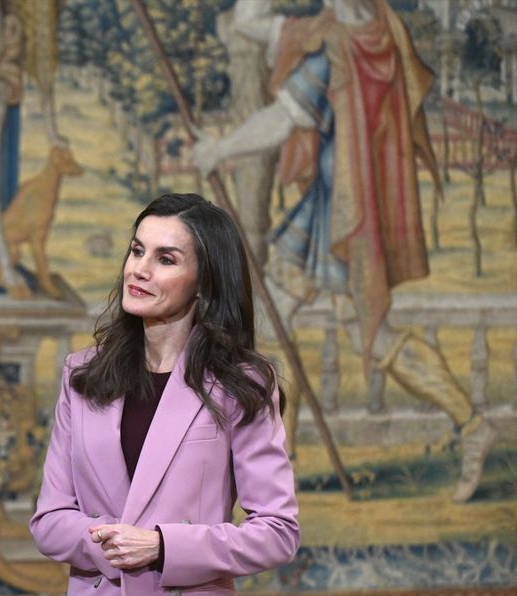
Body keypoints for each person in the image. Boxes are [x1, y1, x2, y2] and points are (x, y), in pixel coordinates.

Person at [193, 0, 497, 503]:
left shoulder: (336, 46)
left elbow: (280, 120)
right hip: (344, 211)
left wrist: (218, 150)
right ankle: (276, 466)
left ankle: (471, 424)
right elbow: (253, 24)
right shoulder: (379, 29)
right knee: (278, 324)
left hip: (343, 217)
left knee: (360, 336)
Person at [30, 194, 300, 596]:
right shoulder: (82, 376)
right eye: (137, 251)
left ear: (204, 282)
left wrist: (162, 546)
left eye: (165, 259)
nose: (139, 269)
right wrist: (107, 541)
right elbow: (49, 521)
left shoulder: (242, 385)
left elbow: (277, 530)